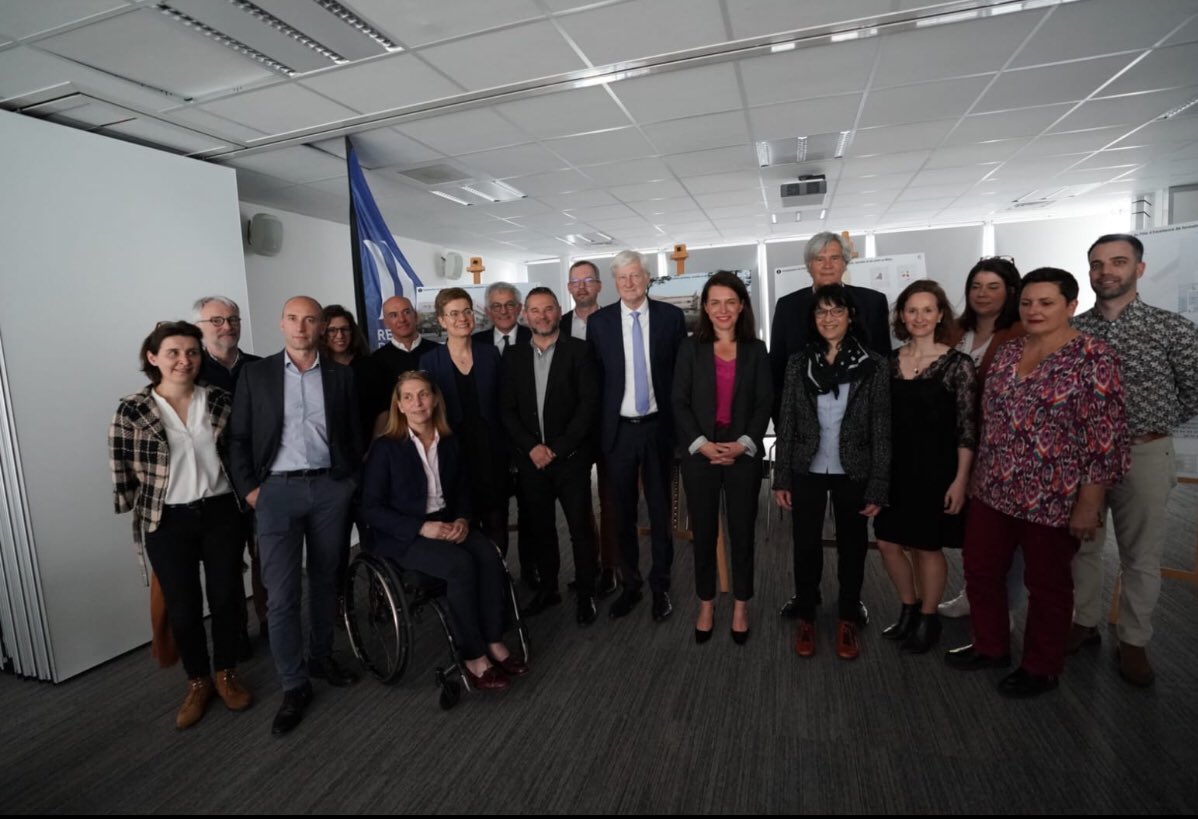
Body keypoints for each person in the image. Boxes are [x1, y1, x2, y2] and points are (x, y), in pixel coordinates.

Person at [945, 269, 1130, 699]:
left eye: (1046, 303)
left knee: (1047, 584)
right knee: (980, 570)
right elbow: (988, 420)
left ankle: (1041, 665)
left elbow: (1105, 437)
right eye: (1027, 302)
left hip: (1054, 494)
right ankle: (991, 646)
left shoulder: (1093, 357)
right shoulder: (1008, 353)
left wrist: (1090, 502)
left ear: (1070, 305)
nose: (1034, 311)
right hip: (993, 487)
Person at [228, 296, 365, 735]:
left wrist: (349, 482)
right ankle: (293, 683)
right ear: (281, 323)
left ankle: (321, 657)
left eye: (311, 320)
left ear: (322, 326)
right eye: (293, 319)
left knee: (326, 581)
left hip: (329, 489)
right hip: (277, 493)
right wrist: (251, 490)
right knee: (282, 593)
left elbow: (354, 434)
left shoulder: (342, 376)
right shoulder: (255, 374)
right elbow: (238, 438)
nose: (302, 327)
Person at [109, 321, 251, 729]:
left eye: (191, 352)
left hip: (222, 511)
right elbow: (121, 463)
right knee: (184, 608)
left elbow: (236, 452)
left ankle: (226, 674)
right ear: (153, 358)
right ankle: (198, 680)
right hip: (167, 519)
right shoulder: (132, 409)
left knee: (226, 599)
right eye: (173, 352)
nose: (184, 360)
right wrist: (139, 505)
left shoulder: (220, 400)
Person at [1070, 234, 1198, 686]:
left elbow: (1193, 392)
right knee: (1081, 544)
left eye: (1118, 262)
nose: (1107, 271)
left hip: (1143, 451)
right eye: (1098, 264)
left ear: (1139, 269)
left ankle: (1135, 639)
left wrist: (1149, 423)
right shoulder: (1074, 332)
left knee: (1140, 553)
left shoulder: (1172, 329)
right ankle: (1083, 623)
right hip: (1083, 458)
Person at [362, 371, 528, 691]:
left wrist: (464, 519)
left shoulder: (448, 439)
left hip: (448, 520)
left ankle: (494, 639)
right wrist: (423, 527)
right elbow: (371, 510)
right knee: (460, 565)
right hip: (405, 532)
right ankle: (474, 655)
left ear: (435, 398)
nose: (417, 403)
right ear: (398, 405)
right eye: (408, 397)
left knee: (489, 554)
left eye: (423, 394)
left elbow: (463, 489)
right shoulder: (387, 448)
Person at [771, 232, 888, 624]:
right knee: (804, 541)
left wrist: (878, 479)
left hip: (853, 462)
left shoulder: (872, 336)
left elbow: (880, 416)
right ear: (808, 264)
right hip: (807, 457)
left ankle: (850, 604)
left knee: (853, 542)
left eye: (834, 257)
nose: (826, 264)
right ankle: (807, 599)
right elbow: (783, 403)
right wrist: (782, 467)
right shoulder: (795, 348)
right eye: (818, 258)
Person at [873, 281, 977, 654]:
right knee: (886, 541)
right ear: (902, 316)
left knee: (927, 546)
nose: (919, 317)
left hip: (938, 471)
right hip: (895, 469)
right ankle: (909, 605)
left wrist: (961, 480)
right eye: (911, 310)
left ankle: (929, 617)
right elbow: (879, 424)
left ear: (940, 315)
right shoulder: (887, 363)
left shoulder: (958, 365)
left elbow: (968, 430)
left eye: (927, 310)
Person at [672, 272, 772, 645]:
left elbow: (764, 402)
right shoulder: (689, 348)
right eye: (714, 302)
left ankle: (742, 605)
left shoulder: (756, 349)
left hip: (742, 454)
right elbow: (679, 402)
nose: (722, 309)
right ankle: (707, 602)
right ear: (705, 308)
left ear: (742, 305)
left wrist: (745, 442)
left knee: (742, 533)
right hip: (701, 454)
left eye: (730, 301)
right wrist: (701, 443)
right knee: (704, 535)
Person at [587, 250, 687, 622]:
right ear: (615, 282)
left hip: (658, 429)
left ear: (647, 278)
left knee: (661, 513)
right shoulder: (599, 324)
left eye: (635, 276)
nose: (630, 283)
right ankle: (631, 584)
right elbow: (596, 383)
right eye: (622, 278)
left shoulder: (671, 318)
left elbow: (680, 378)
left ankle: (661, 585)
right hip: (619, 433)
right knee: (621, 513)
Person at [500, 287, 601, 625]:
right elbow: (507, 411)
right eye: (534, 310)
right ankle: (548, 589)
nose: (541, 316)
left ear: (559, 311)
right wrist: (532, 448)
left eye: (548, 310)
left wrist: (556, 448)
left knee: (580, 530)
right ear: (524, 315)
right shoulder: (512, 357)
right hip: (532, 462)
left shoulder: (581, 351)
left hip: (570, 459)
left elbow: (587, 408)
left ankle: (586, 593)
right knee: (541, 530)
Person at [939, 257, 1026, 619]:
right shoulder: (955, 331)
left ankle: (1003, 609)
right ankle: (971, 594)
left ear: (1009, 291)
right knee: (974, 531)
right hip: (955, 443)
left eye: (993, 287)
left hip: (1001, 449)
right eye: (976, 286)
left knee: (1006, 537)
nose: (983, 294)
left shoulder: (1022, 333)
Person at [193, 295, 265, 650]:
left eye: (233, 319)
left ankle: (269, 622)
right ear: (199, 328)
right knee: (227, 566)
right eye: (217, 320)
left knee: (266, 558)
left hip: (261, 480)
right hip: (217, 486)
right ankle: (236, 631)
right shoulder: (191, 373)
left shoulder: (260, 367)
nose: (227, 326)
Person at [420, 288, 510, 555]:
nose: (462, 318)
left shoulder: (490, 354)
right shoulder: (430, 360)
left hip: (491, 453)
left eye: (467, 311)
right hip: (453, 455)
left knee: (497, 521)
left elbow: (503, 405)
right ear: (441, 320)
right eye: (454, 313)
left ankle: (498, 581)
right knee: (462, 524)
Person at [561, 259, 620, 597]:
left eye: (588, 280)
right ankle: (589, 566)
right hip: (572, 432)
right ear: (568, 288)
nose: (581, 286)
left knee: (610, 502)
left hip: (610, 426)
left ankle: (611, 567)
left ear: (599, 286)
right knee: (578, 504)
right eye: (575, 281)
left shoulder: (613, 322)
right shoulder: (558, 325)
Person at [363, 296, 439, 437]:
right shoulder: (376, 360)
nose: (402, 319)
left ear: (415, 315)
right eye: (393, 315)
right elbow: (380, 407)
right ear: (386, 322)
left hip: (436, 433)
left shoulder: (438, 352)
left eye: (406, 312)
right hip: (397, 437)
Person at [475, 282, 532, 351]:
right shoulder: (475, 342)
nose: (503, 311)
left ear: (519, 308)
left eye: (509, 305)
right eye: (496, 306)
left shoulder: (533, 338)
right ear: (487, 311)